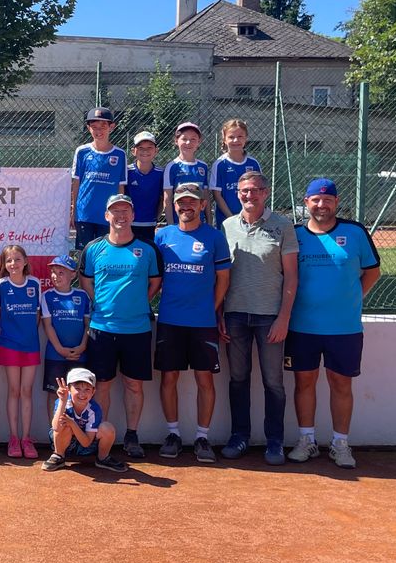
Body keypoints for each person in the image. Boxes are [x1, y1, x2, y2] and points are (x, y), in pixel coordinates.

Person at [285, 178, 381, 469]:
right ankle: (307, 441)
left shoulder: (354, 232)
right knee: (304, 382)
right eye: (315, 199)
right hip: (302, 327)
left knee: (341, 383)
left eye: (327, 200)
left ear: (336, 203)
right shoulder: (295, 234)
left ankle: (340, 444)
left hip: (344, 328)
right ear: (306, 202)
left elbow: (372, 272)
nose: (321, 204)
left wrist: (351, 299)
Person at [219, 171, 297, 465]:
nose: (249, 196)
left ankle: (274, 441)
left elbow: (291, 276)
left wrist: (283, 318)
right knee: (238, 379)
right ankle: (239, 436)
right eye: (243, 191)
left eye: (254, 190)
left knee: (273, 382)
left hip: (270, 318)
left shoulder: (282, 226)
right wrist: (219, 314)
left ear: (266, 192)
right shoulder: (226, 227)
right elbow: (220, 276)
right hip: (234, 316)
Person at [80, 194, 162, 460]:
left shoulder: (147, 250)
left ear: (133, 215)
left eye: (125, 210)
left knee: (133, 385)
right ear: (106, 216)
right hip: (102, 328)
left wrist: (136, 303)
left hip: (137, 329)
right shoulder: (93, 249)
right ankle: (97, 435)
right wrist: (102, 304)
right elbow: (86, 281)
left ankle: (131, 435)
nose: (120, 216)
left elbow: (154, 283)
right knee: (101, 385)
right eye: (115, 211)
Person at [153, 184, 231, 463]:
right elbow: (156, 278)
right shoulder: (162, 236)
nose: (186, 207)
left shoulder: (214, 237)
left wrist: (211, 308)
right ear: (174, 206)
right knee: (169, 377)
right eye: (181, 203)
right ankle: (173, 434)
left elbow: (223, 279)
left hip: (203, 323)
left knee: (204, 379)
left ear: (202, 205)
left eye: (192, 202)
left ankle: (202, 437)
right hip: (170, 320)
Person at [0, 244, 41, 459]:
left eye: (17, 259)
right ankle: (13, 438)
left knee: (27, 391)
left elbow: (38, 315)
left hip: (30, 345)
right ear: (4, 264)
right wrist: (9, 334)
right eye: (9, 260)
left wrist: (27, 335)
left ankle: (26, 438)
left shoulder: (35, 283)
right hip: (9, 344)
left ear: (25, 261)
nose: (13, 264)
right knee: (14, 391)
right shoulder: (0, 285)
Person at [40, 254, 91, 444]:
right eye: (53, 272)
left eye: (61, 272)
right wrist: (60, 348)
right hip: (55, 355)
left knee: (79, 394)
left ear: (73, 275)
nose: (56, 276)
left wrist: (83, 345)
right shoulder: (47, 296)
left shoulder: (82, 296)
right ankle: (55, 435)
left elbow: (88, 324)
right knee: (55, 394)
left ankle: (78, 437)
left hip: (80, 354)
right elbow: (48, 326)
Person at [40, 369, 128, 473]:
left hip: (86, 445)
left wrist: (72, 423)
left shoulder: (94, 409)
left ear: (93, 392)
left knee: (107, 428)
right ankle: (59, 455)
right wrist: (62, 401)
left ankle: (103, 458)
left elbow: (86, 443)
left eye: (87, 389)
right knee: (64, 425)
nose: (82, 394)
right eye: (77, 388)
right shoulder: (62, 401)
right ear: (69, 389)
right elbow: (55, 428)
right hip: (65, 443)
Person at [70, 107, 127, 250]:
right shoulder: (82, 151)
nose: (98, 131)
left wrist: (120, 212)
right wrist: (73, 212)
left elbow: (121, 187)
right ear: (88, 128)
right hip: (85, 214)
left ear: (111, 127)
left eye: (103, 126)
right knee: (84, 254)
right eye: (94, 127)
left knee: (105, 253)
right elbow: (76, 183)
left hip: (108, 215)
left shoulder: (120, 154)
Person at [209, 119, 261, 225]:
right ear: (224, 139)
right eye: (231, 137)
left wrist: (252, 215)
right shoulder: (219, 164)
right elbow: (217, 196)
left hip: (251, 220)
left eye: (240, 136)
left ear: (246, 138)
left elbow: (259, 192)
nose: (235, 140)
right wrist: (232, 219)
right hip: (226, 220)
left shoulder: (253, 163)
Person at [162, 121, 210, 224]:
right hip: (178, 224)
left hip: (199, 223)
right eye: (184, 139)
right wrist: (171, 226)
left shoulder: (203, 166)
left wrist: (209, 222)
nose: (188, 143)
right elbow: (167, 199)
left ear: (199, 142)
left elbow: (206, 197)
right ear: (176, 141)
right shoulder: (171, 167)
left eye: (193, 139)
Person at [126, 130, 163, 243]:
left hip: (150, 225)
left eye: (149, 147)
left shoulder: (161, 173)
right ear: (133, 151)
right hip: (128, 224)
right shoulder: (126, 171)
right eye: (141, 148)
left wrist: (155, 218)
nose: (145, 151)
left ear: (156, 151)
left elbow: (162, 199)